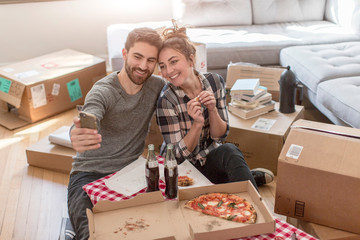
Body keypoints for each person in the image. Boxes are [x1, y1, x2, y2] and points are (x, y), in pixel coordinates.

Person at [67, 27, 165, 240]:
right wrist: (78, 131)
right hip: (89, 175)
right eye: (137, 57)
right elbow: (90, 114)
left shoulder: (156, 85)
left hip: (131, 175)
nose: (143, 66)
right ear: (124, 54)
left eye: (150, 60)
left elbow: (182, 84)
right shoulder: (104, 90)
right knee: (92, 234)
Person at [156, 22, 274, 190]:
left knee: (230, 151)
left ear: (191, 59)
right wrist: (197, 125)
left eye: (174, 62)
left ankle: (254, 203)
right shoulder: (166, 101)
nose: (168, 71)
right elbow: (176, 156)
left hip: (209, 158)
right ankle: (242, 176)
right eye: (162, 66)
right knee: (232, 174)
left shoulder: (215, 82)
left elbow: (220, 136)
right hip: (181, 169)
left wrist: (212, 110)